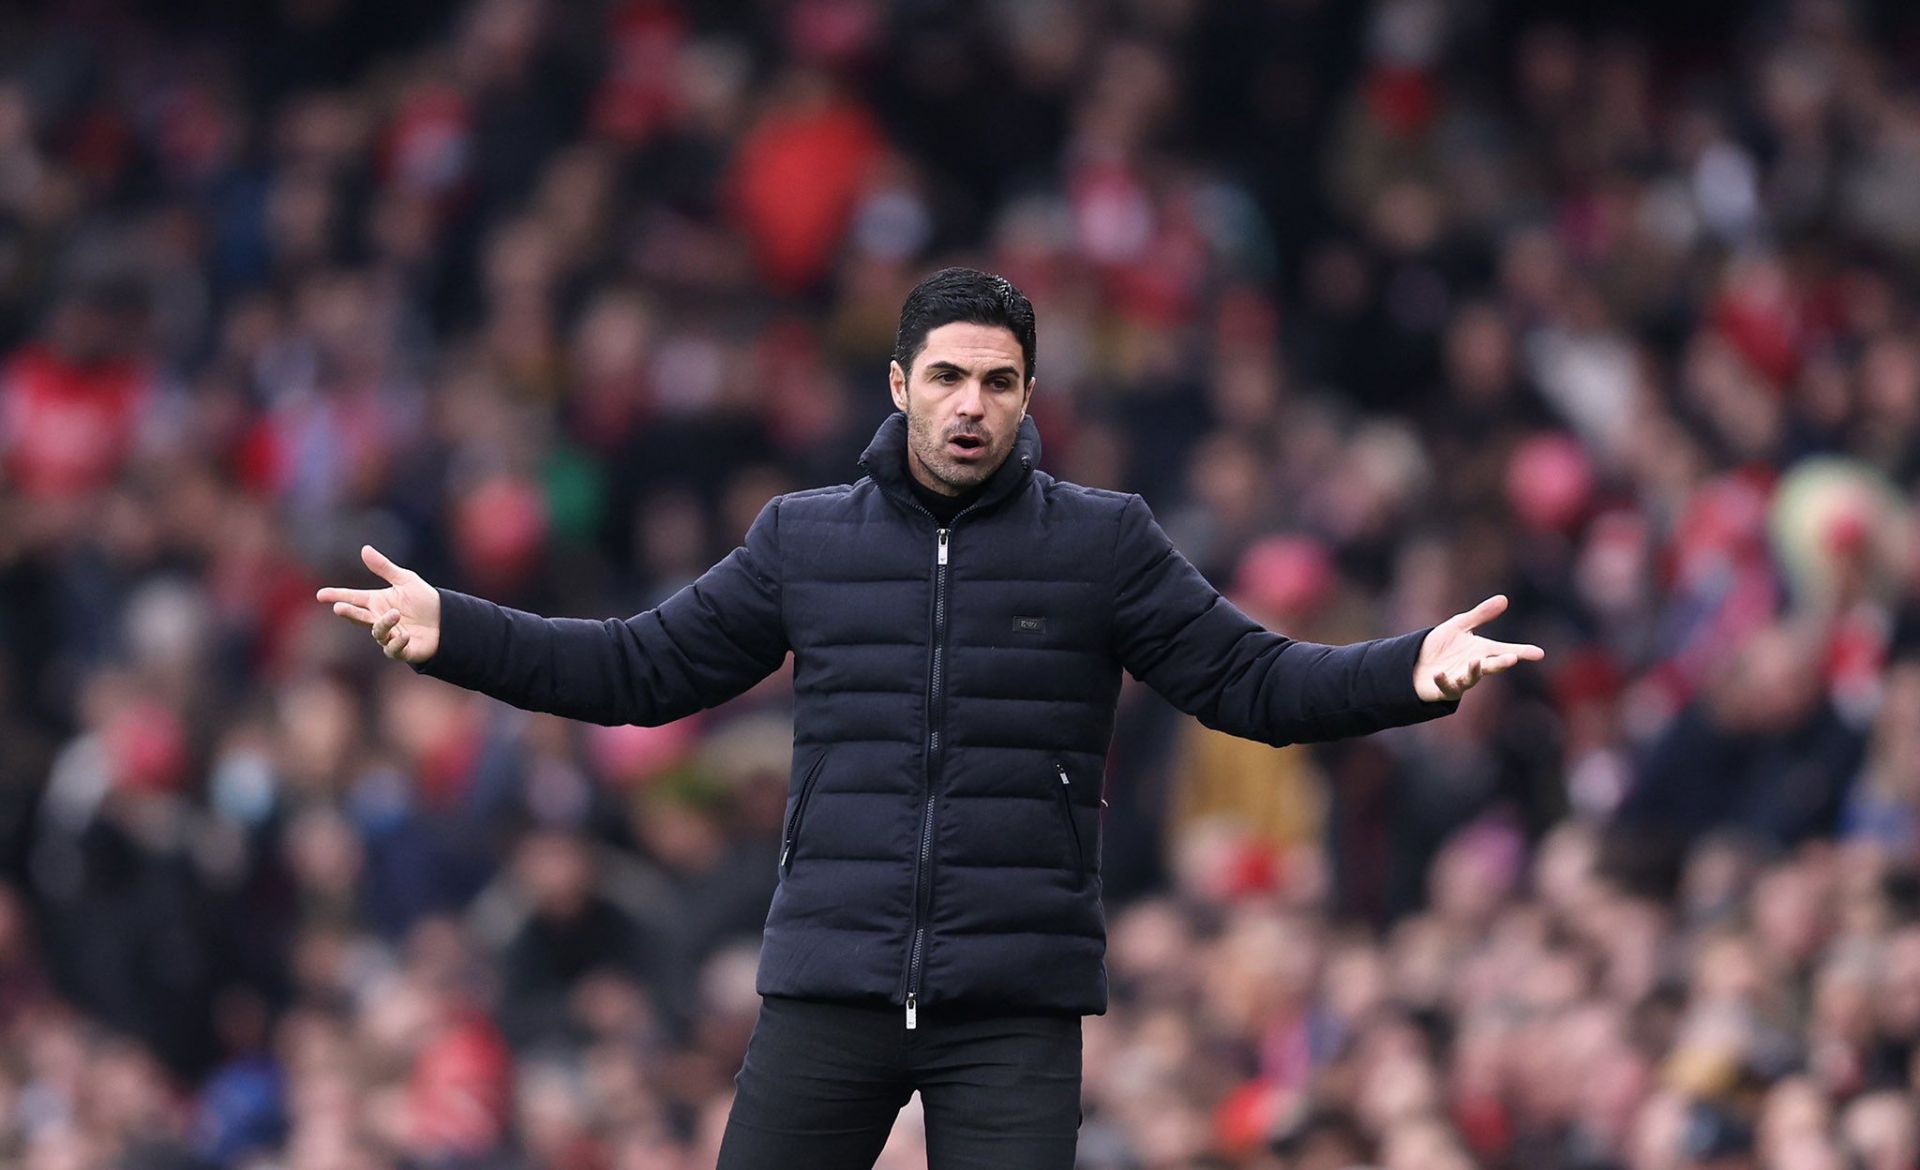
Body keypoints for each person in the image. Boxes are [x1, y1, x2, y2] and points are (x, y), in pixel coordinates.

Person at [317, 267, 1545, 1169]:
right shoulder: (804, 539)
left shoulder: (1103, 542)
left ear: (1027, 398)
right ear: (901, 384)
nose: (971, 404)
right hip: (831, 982)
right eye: (948, 377)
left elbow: (1255, 685)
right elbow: (640, 672)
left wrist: (1405, 671)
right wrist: (455, 632)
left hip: (1013, 1000)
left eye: (998, 382)